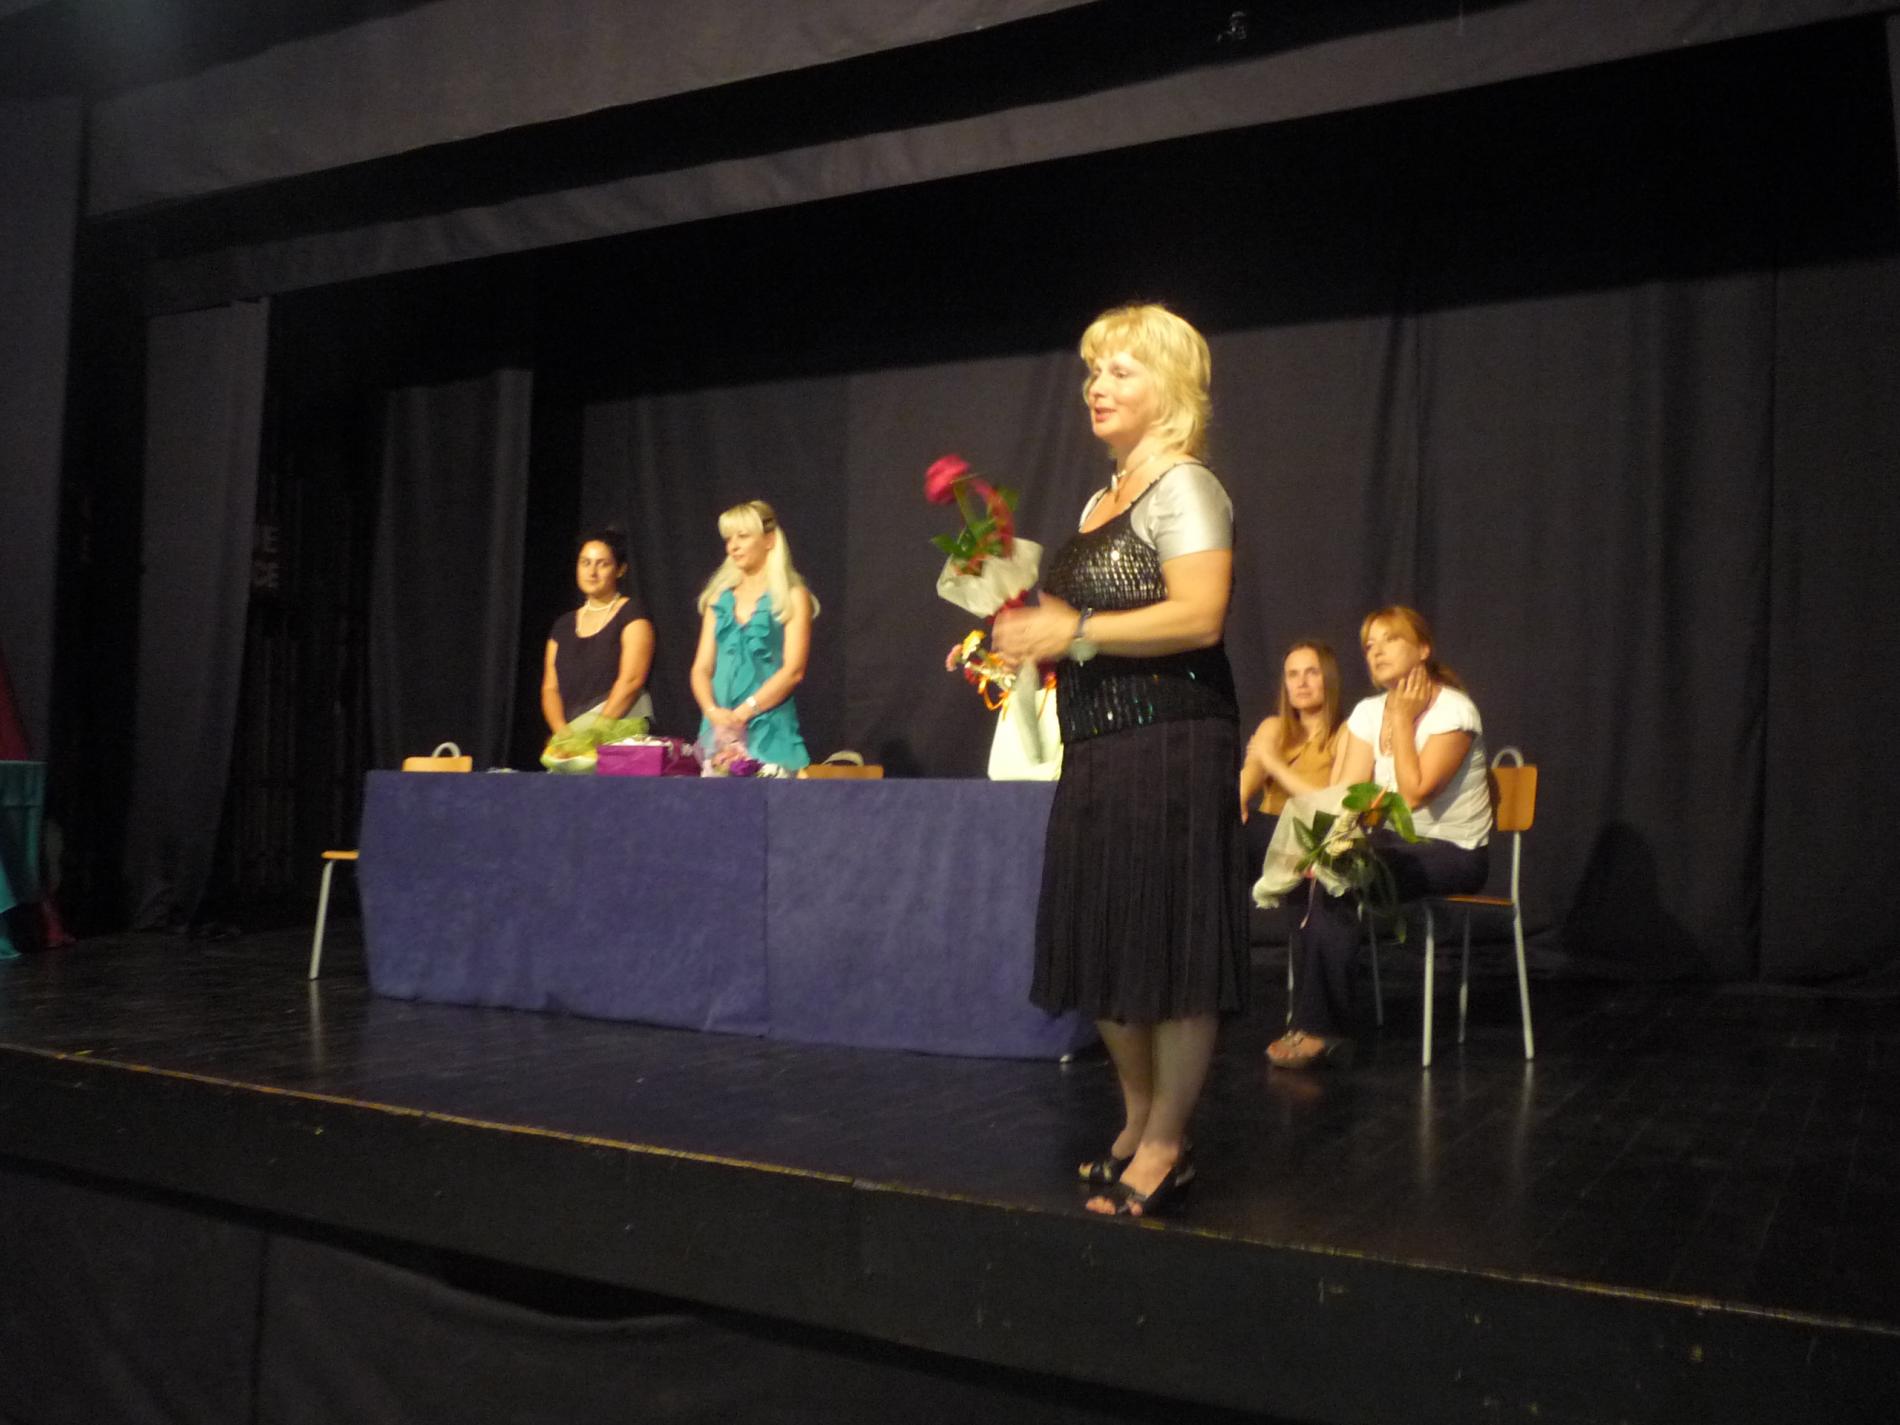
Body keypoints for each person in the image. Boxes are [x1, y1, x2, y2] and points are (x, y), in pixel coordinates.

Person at [994, 303, 1246, 1218]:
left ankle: (1170, 1142)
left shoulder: (1186, 485)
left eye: (1120, 371)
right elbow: (1080, 629)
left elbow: (1199, 615)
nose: (1096, 386)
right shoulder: (1099, 500)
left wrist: (1075, 631)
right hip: (1099, 745)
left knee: (1170, 942)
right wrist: (1019, 638)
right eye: (1093, 370)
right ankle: (1140, 1118)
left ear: (1169, 388)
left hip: (1173, 741)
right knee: (1101, 931)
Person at [1266, 606, 1491, 1069]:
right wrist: (1324, 845)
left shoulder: (1454, 710)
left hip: (1454, 853)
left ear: (1423, 649)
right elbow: (1345, 796)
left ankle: (1323, 1028)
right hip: (1393, 847)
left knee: (1343, 875)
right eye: (1370, 645)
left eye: (1390, 640)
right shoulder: (1368, 712)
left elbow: (1413, 793)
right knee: (1314, 871)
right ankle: (1307, 1019)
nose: (1377, 651)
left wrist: (1404, 719)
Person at [690, 500, 817, 771]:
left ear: (769, 540)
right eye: (729, 539)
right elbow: (701, 668)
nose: (733, 546)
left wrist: (744, 712)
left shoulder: (793, 597)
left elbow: (793, 671)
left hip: (770, 731)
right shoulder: (718, 600)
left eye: (743, 536)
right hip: (720, 734)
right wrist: (713, 713)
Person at [541, 526, 656, 743]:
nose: (592, 572)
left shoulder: (631, 613)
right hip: (571, 738)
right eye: (585, 563)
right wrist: (564, 735)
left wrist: (596, 732)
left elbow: (631, 680)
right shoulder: (563, 625)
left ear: (620, 569)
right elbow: (550, 688)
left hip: (618, 733)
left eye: (602, 564)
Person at [1239, 640, 1345, 824]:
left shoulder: (1345, 734)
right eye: (1293, 674)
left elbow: (1332, 807)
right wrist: (1239, 798)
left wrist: (1274, 764)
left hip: (1314, 833)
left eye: (1312, 672)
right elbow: (1252, 771)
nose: (1301, 683)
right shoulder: (1274, 726)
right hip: (1267, 827)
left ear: (1329, 679)